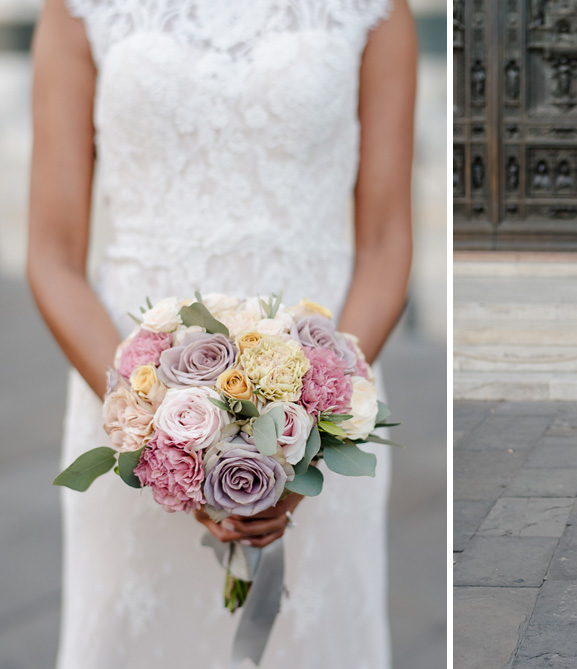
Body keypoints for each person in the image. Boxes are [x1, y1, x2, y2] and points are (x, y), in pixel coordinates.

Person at [27, 0, 415, 666]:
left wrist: (313, 432)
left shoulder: (376, 11)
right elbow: (53, 256)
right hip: (127, 387)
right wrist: (152, 426)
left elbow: (384, 243)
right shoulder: (76, 9)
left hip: (314, 407)